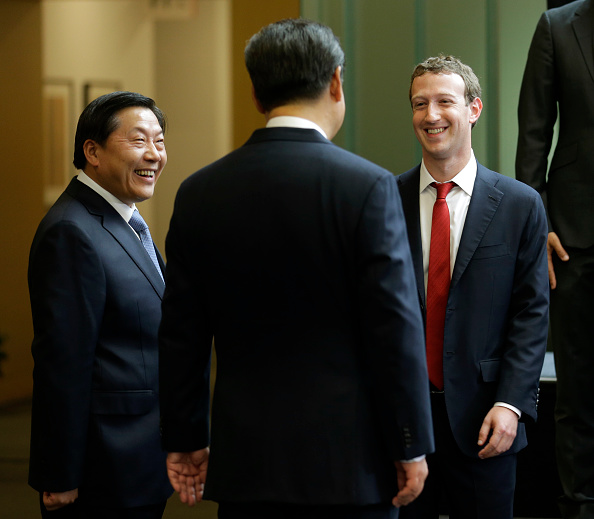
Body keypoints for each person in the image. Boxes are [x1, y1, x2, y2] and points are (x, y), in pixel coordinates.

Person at [158, 18, 434, 519]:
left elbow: (182, 334)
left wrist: (185, 437)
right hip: (350, 466)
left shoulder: (199, 192)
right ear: (335, 82)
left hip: (246, 465)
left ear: (257, 95)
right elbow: (394, 327)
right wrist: (409, 441)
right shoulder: (366, 187)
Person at [396, 55, 549, 519]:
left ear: (474, 109)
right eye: (420, 104)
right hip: (405, 427)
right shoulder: (383, 200)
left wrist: (512, 403)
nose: (431, 115)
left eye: (445, 101)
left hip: (488, 422)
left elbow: (531, 313)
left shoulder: (521, 205)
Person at [28, 91, 172, 518]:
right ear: (92, 151)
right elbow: (63, 364)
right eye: (139, 140)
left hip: (137, 464)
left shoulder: (122, 221)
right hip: (100, 473)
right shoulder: (72, 231)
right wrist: (59, 474)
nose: (154, 154)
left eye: (160, 141)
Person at [516, 2, 594, 517]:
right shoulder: (557, 25)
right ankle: (581, 504)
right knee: (579, 384)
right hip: (575, 230)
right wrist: (535, 221)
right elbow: (534, 131)